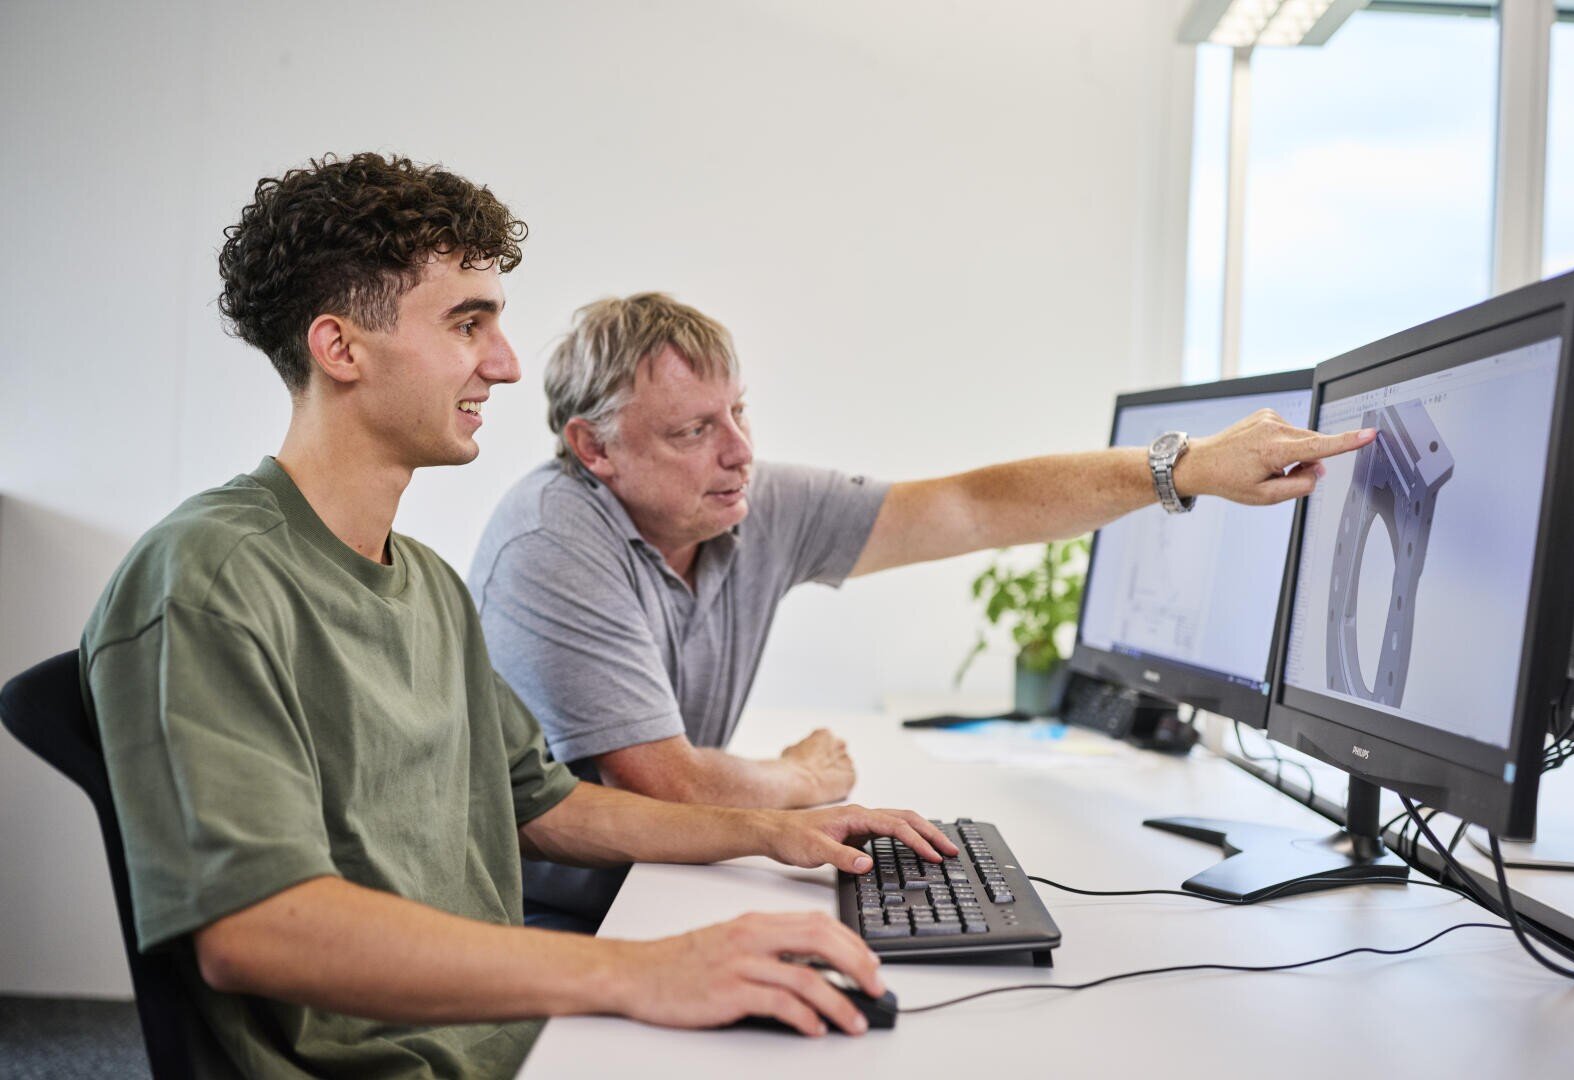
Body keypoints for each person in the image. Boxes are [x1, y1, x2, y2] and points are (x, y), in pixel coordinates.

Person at [79, 153, 958, 1078]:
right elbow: (255, 931)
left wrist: (777, 832)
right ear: (340, 349)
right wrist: (635, 972)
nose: (503, 365)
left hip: (511, 1030)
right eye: (468, 324)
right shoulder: (211, 580)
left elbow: (548, 805)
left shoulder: (421, 582)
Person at [467, 292, 1376, 931]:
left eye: (738, 412)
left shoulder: (743, 500)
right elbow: (665, 789)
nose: (740, 452)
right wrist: (796, 779)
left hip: (656, 887)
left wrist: (1181, 471)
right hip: (546, 918)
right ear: (594, 447)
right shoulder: (552, 544)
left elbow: (973, 507)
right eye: (692, 430)